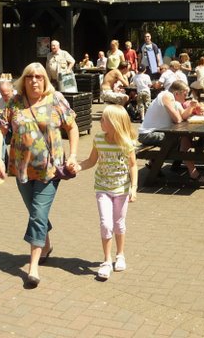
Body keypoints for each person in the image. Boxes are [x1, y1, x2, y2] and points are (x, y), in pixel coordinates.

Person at [0, 62, 78, 288]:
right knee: (35, 211)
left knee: (38, 214)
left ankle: (33, 267)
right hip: (21, 169)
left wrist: (74, 155)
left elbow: (72, 127)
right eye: (30, 76)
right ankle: (46, 244)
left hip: (50, 170)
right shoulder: (15, 102)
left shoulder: (56, 99)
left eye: (39, 76)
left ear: (45, 80)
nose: (34, 80)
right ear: (24, 80)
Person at [75, 104, 137, 281]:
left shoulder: (127, 143)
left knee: (119, 223)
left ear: (114, 123)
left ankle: (120, 255)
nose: (100, 122)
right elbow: (91, 161)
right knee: (106, 223)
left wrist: (133, 188)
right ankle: (107, 260)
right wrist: (78, 167)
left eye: (104, 119)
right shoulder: (99, 139)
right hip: (102, 187)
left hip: (122, 189)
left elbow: (133, 166)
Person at [138, 81, 203, 181]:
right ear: (177, 93)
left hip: (158, 132)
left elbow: (183, 116)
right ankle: (193, 173)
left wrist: (191, 107)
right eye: (185, 94)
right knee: (183, 138)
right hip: (148, 134)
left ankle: (155, 163)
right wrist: (181, 116)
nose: (186, 97)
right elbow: (178, 119)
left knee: (183, 138)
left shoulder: (175, 102)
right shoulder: (166, 96)